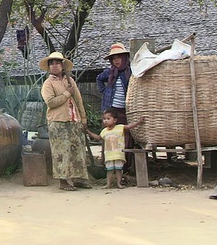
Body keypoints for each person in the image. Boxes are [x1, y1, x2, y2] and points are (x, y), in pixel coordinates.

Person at [39, 52, 91, 191]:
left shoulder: (70, 81)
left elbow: (78, 100)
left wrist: (83, 118)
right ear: (49, 67)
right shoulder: (48, 84)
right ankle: (63, 182)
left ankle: (78, 179)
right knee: (61, 152)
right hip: (58, 122)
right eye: (52, 63)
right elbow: (51, 103)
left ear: (63, 66)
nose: (54, 66)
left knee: (77, 150)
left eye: (57, 63)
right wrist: (67, 93)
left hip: (74, 119)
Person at [96, 42, 134, 171]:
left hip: (125, 110)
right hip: (110, 109)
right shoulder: (109, 72)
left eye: (119, 57)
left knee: (125, 137)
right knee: (109, 137)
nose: (116, 60)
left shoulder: (131, 72)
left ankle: (124, 166)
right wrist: (104, 91)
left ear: (124, 58)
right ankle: (108, 167)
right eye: (114, 58)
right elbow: (98, 79)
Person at [87, 108, 144, 189]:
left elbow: (130, 126)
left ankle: (119, 184)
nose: (105, 121)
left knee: (118, 170)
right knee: (109, 170)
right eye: (104, 119)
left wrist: (139, 122)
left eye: (108, 118)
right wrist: (88, 132)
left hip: (118, 154)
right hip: (109, 155)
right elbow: (98, 137)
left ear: (115, 120)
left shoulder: (120, 127)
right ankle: (108, 184)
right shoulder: (104, 131)